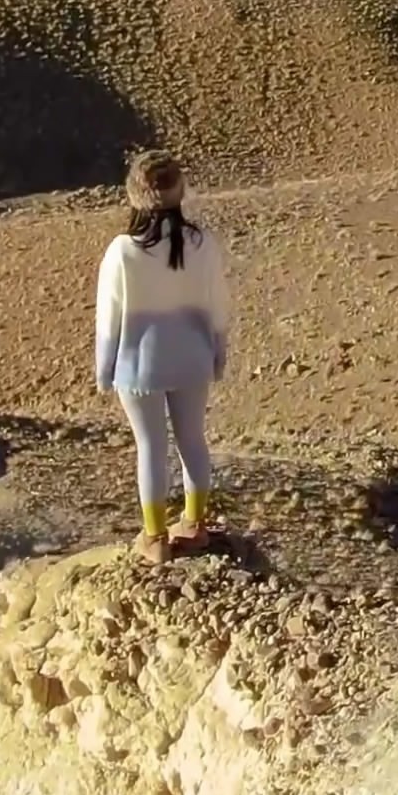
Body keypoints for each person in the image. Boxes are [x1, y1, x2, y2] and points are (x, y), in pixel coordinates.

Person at [93, 150, 232, 557]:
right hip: (193, 357)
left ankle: (154, 537)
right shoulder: (202, 243)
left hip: (139, 365)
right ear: (180, 191)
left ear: (134, 195)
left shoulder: (123, 251)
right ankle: (194, 523)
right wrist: (218, 353)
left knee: (151, 447)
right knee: (193, 439)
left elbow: (109, 316)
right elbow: (218, 306)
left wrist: (104, 370)